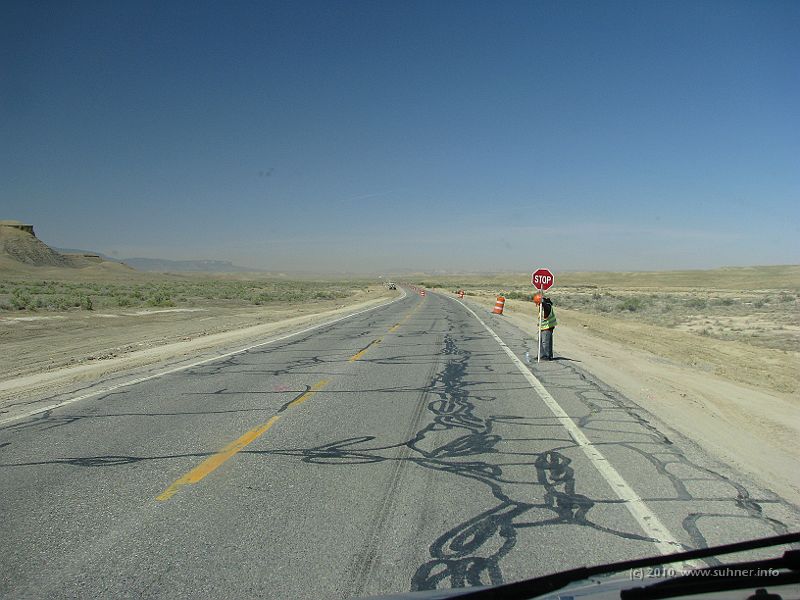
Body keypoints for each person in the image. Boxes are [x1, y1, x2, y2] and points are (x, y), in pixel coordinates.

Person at [533, 293, 557, 360]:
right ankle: (541, 355)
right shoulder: (542, 307)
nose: (537, 305)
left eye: (538, 303)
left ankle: (547, 356)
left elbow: (546, 308)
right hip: (543, 327)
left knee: (545, 342)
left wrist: (542, 302)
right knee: (540, 342)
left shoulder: (547, 306)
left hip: (548, 327)